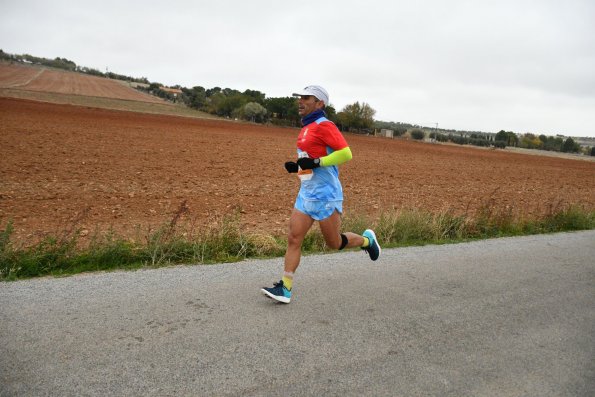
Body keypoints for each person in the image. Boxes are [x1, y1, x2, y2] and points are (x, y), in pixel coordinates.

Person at [261, 85, 381, 304]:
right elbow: (310, 160)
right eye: (300, 97)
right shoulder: (306, 127)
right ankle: (285, 288)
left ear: (320, 103)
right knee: (294, 237)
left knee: (334, 243)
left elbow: (346, 153)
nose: (300, 101)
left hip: (327, 195)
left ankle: (367, 241)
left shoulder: (325, 125)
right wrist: (297, 168)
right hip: (306, 194)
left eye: (306, 98)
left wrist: (317, 162)